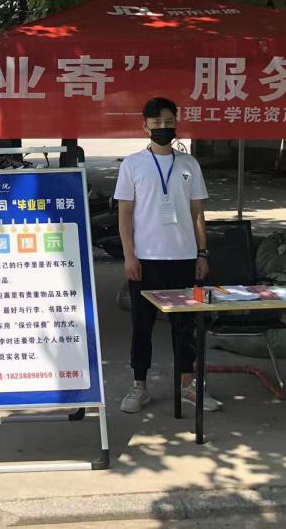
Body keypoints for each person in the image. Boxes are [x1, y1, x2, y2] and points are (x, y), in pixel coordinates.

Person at [114, 97, 222, 413]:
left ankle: (188, 385)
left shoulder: (189, 164)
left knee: (185, 326)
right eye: (157, 123)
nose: (163, 127)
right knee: (142, 325)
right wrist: (129, 256)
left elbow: (197, 212)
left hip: (184, 258)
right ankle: (139, 386)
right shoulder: (133, 165)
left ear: (176, 123)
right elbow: (125, 214)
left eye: (169, 122)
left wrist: (202, 253)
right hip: (146, 260)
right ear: (144, 126)